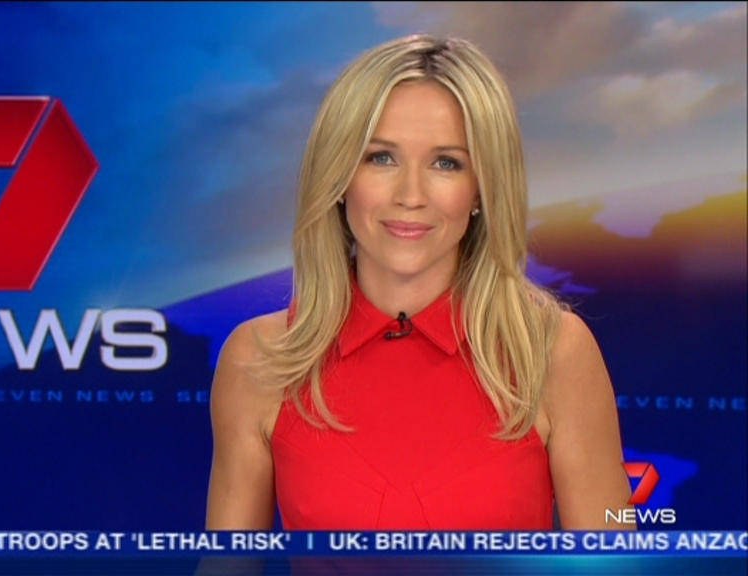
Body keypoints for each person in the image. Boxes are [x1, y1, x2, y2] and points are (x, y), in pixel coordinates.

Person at [205, 34, 633, 530]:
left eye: (446, 162)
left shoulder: (554, 353)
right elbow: (225, 564)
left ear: (481, 189)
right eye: (381, 157)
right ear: (340, 176)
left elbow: (613, 558)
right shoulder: (259, 361)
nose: (411, 194)